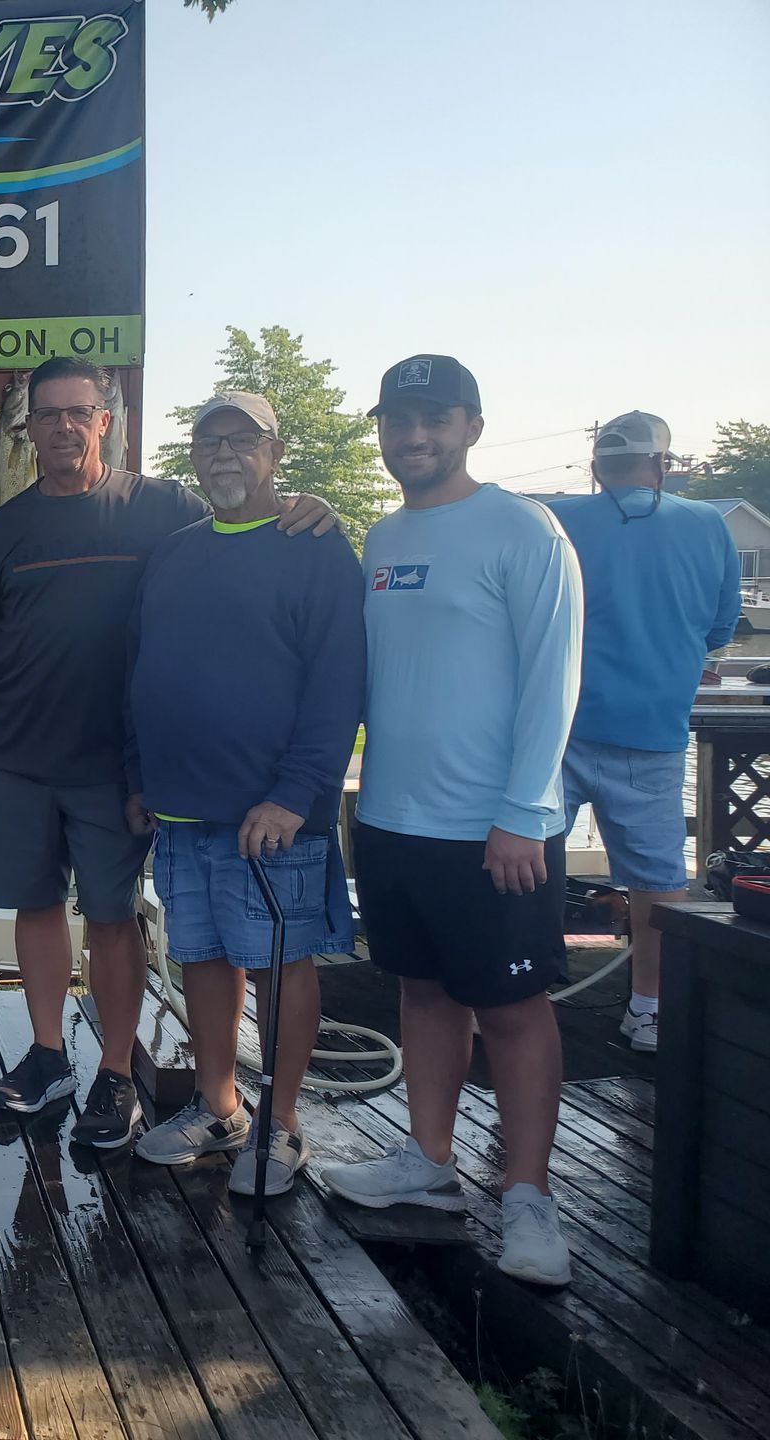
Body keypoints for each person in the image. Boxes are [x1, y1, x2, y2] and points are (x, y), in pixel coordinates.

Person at [0, 357, 335, 1150]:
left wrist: (299, 505)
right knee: (35, 906)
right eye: (44, 415)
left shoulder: (165, 510)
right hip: (16, 755)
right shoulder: (0, 531)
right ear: (27, 429)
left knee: (115, 916)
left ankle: (115, 1073)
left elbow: (240, 523)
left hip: (117, 767)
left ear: (105, 418)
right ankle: (49, 1054)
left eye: (76, 412)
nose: (61, 427)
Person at [325, 355, 581, 1287]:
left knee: (513, 1009)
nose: (415, 437)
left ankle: (529, 1198)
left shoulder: (525, 528)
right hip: (391, 817)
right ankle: (429, 1165)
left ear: (473, 425)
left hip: (496, 830)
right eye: (399, 421)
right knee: (423, 991)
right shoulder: (383, 537)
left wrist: (523, 812)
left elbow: (556, 680)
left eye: (435, 419)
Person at [127, 393, 365, 1191]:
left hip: (272, 813)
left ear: (276, 448)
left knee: (279, 963)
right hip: (181, 808)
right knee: (200, 955)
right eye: (208, 440)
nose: (223, 453)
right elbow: (144, 672)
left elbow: (339, 686)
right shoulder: (175, 550)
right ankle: (218, 1105)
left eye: (242, 439)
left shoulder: (318, 547)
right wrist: (142, 779)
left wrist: (297, 795)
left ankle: (283, 1124)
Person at [545, 413, 739, 1053]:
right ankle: (648, 1008)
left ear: (597, 464)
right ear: (665, 462)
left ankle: (515, 991)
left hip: (556, 728)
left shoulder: (556, 517)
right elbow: (719, 627)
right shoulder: (708, 523)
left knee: (526, 862)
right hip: (653, 730)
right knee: (657, 879)